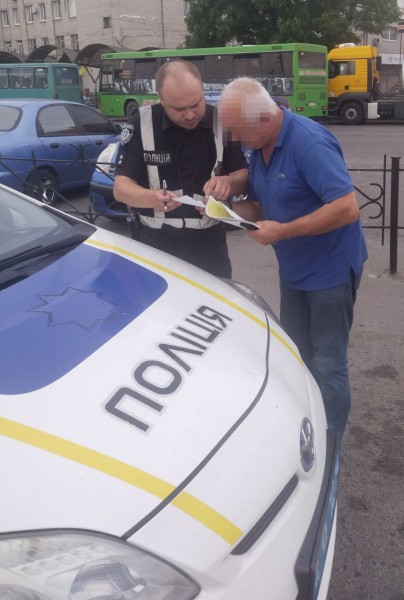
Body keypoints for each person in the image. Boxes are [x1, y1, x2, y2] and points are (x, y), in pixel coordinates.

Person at [218, 77, 368, 436]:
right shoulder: (260, 145)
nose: (235, 140)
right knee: (296, 354)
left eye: (238, 131)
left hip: (330, 270)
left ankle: (330, 444)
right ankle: (307, 427)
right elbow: (260, 206)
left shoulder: (308, 142)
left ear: (264, 119)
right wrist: (224, 207)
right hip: (295, 270)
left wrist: (283, 231)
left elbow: (347, 208)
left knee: (328, 364)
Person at [113, 60, 248, 278]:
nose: (190, 115)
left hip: (209, 246)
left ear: (202, 90)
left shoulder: (221, 121)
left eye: (196, 104)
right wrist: (152, 198)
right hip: (155, 244)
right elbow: (121, 189)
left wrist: (229, 183)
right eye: (179, 109)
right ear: (161, 99)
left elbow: (243, 176)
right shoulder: (141, 123)